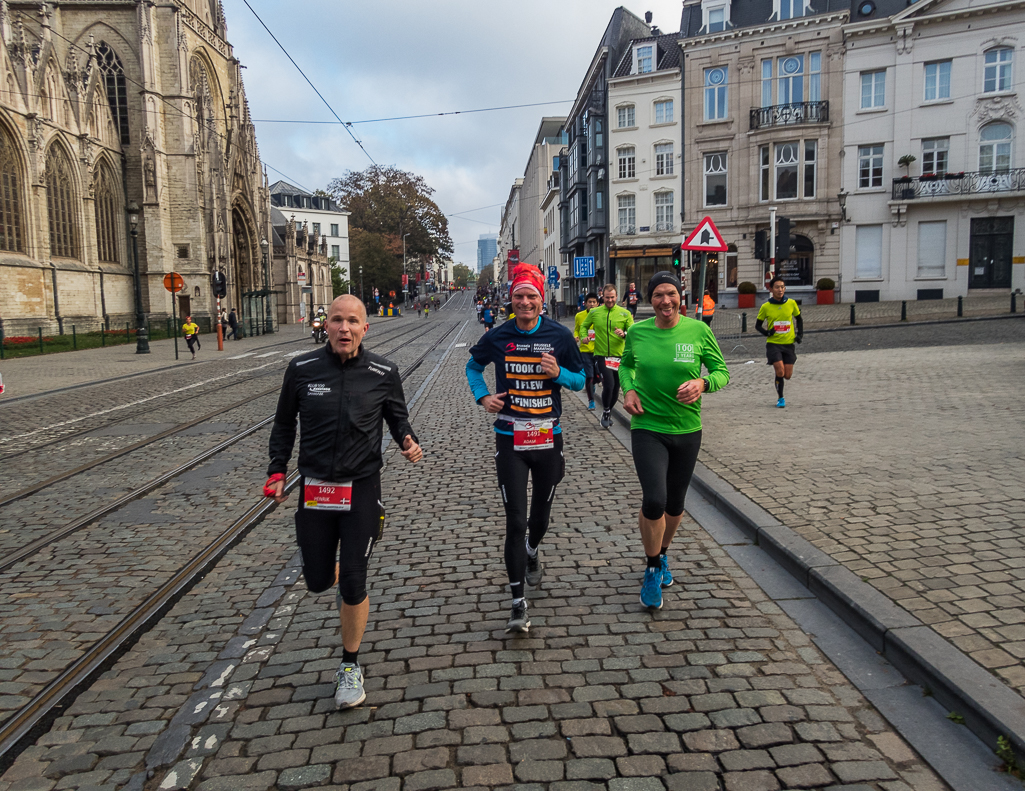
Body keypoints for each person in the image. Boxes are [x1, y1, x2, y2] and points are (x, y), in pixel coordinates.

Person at [264, 294, 423, 709]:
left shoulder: (383, 371)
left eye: (353, 321)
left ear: (364, 328)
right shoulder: (301, 369)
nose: (344, 328)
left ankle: (349, 664)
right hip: (315, 489)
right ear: (326, 325)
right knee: (318, 580)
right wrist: (277, 471)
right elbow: (283, 424)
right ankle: (333, 567)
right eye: (337, 320)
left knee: (354, 579)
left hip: (362, 489)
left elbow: (397, 417)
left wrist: (406, 439)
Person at [465, 264, 585, 633]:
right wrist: (483, 397)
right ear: (510, 300)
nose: (525, 302)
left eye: (531, 295)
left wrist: (558, 375)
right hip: (510, 438)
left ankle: (533, 551)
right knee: (515, 521)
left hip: (548, 437)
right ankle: (518, 601)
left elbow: (581, 380)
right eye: (519, 295)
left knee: (539, 517)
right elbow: (472, 366)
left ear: (541, 299)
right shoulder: (499, 337)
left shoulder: (560, 336)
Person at [620, 272, 730, 609]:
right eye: (658, 296)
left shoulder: (698, 330)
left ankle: (662, 554)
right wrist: (629, 389)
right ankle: (652, 568)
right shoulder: (638, 332)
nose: (665, 301)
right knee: (654, 499)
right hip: (647, 426)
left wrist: (704, 384)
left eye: (671, 294)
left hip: (686, 429)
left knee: (675, 504)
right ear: (648, 300)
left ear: (680, 296)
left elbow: (722, 371)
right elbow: (625, 366)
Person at [580, 284, 634, 428]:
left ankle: (608, 411)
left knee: (616, 388)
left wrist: (624, 334)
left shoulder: (625, 313)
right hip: (602, 355)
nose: (609, 300)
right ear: (602, 297)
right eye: (607, 297)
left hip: (619, 356)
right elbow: (583, 326)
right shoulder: (595, 312)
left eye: (612, 297)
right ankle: (605, 410)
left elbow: (632, 331)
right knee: (608, 384)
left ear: (616, 297)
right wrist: (584, 337)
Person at [756, 276, 803, 408]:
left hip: (788, 344)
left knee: (787, 375)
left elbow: (799, 319)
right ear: (771, 289)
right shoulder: (766, 306)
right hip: (773, 344)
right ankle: (780, 398)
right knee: (780, 372)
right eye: (777, 287)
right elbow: (758, 325)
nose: (780, 289)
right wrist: (767, 332)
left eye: (782, 287)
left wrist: (800, 335)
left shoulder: (791, 303)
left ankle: (780, 385)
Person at [574, 292, 600, 410]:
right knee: (589, 376)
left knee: (598, 377)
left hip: (599, 350)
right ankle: (591, 401)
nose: (592, 304)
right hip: (585, 350)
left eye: (594, 302)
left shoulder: (602, 315)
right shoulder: (579, 316)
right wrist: (576, 337)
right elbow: (576, 329)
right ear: (586, 304)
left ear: (598, 304)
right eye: (590, 302)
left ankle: (594, 384)